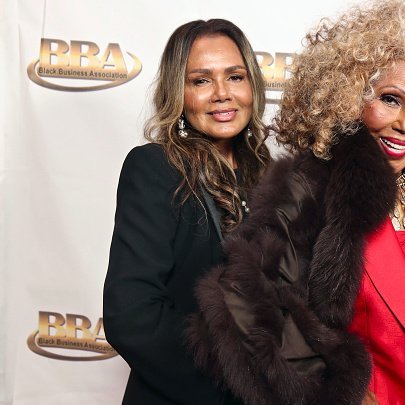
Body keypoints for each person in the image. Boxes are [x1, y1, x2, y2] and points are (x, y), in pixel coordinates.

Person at [187, 1, 405, 404]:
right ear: (349, 97)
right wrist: (334, 389)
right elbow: (246, 299)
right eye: (390, 99)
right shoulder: (309, 186)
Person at [103, 18, 269, 405]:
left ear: (252, 86)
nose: (222, 94)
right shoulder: (157, 168)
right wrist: (235, 384)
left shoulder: (267, 176)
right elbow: (132, 317)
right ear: (178, 91)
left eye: (235, 77)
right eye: (201, 80)